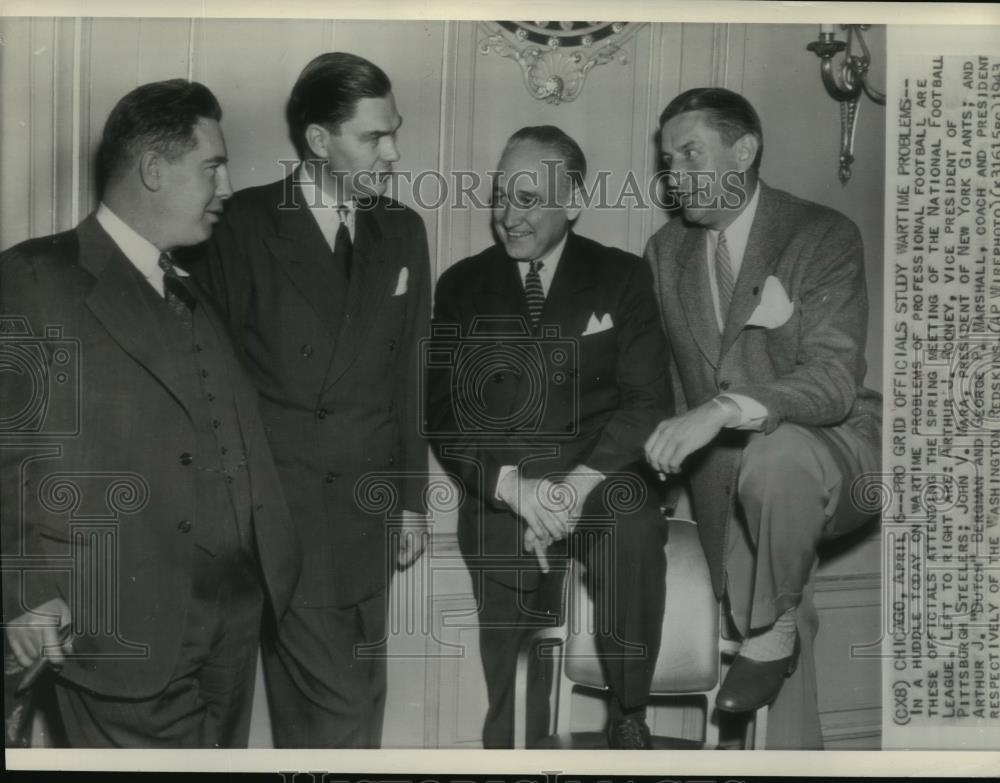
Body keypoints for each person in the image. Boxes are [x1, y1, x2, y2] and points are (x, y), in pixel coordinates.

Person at [0, 79, 300, 747]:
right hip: (117, 626)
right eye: (212, 166)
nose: (226, 187)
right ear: (154, 169)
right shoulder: (35, 277)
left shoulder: (191, 286)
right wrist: (22, 592)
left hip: (229, 623)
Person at [193, 52, 430, 748]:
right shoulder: (242, 225)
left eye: (395, 132)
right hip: (286, 514)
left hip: (371, 513)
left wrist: (412, 498)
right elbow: (215, 384)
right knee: (339, 716)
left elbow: (408, 376)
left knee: (355, 706)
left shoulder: (402, 229)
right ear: (319, 141)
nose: (393, 152)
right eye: (374, 138)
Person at [643, 87, 882, 748]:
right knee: (780, 626)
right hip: (726, 489)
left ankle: (770, 632)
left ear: (743, 150)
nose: (674, 175)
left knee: (777, 460)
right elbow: (666, 387)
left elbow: (834, 380)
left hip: (830, 457)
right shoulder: (666, 253)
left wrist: (722, 407)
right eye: (667, 159)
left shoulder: (820, 233)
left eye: (691, 153)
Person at [428, 126, 671, 750]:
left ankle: (628, 714)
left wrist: (571, 490)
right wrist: (515, 489)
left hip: (600, 478)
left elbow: (647, 402)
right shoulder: (459, 286)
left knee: (632, 527)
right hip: (507, 491)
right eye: (501, 196)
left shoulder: (622, 277)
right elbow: (444, 415)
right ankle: (511, 747)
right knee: (512, 666)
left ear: (574, 201)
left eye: (529, 199)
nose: (508, 217)